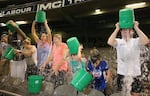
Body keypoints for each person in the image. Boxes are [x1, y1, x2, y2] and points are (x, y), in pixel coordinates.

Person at [107, 21, 149, 96]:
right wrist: (117, 29)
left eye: (128, 30)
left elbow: (146, 41)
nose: (125, 32)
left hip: (135, 74)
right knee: (123, 94)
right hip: (122, 74)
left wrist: (136, 27)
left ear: (132, 32)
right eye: (123, 30)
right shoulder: (119, 42)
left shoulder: (136, 41)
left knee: (135, 94)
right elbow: (110, 42)